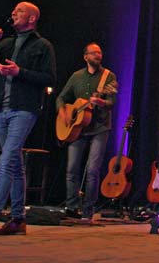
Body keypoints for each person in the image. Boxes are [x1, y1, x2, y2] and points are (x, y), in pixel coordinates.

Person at [0, 2, 56, 239]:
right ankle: (18, 219)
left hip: (24, 109)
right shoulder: (6, 43)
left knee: (7, 161)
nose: (13, 13)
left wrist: (20, 72)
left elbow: (49, 78)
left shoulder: (43, 45)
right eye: (14, 10)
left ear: (31, 19)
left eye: (19, 11)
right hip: (1, 107)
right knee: (15, 163)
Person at [56, 42, 117, 219]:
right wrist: (63, 112)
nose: (98, 55)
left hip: (100, 127)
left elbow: (111, 103)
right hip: (77, 129)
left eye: (100, 52)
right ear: (86, 57)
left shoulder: (108, 76)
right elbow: (61, 98)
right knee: (72, 169)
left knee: (92, 170)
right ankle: (72, 207)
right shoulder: (76, 77)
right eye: (94, 53)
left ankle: (89, 210)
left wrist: (101, 102)